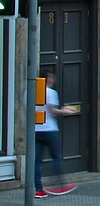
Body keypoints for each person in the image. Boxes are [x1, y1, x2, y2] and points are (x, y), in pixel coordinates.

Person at [34, 68, 77, 198]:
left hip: (36, 130)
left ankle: (39, 190)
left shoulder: (33, 92)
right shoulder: (51, 92)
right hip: (50, 129)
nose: (53, 80)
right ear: (47, 80)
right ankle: (59, 185)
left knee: (37, 161)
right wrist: (65, 111)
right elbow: (52, 111)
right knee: (56, 157)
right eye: (51, 78)